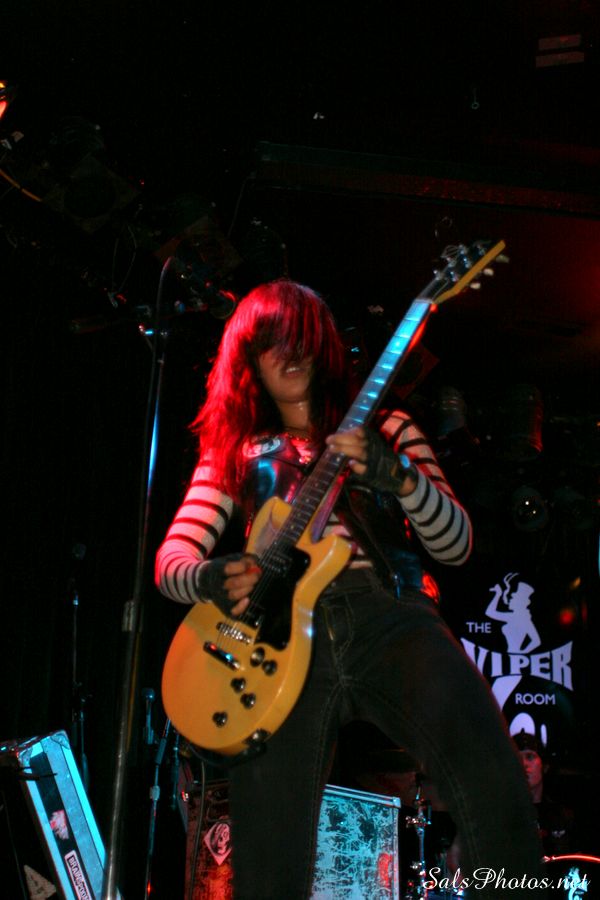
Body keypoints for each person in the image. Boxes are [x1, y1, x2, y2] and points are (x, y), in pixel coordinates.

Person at [155, 279, 545, 899]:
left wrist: (399, 477)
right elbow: (172, 559)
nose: (289, 352)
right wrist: (207, 577)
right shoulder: (236, 449)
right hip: (276, 639)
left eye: (301, 337)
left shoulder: (388, 426)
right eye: (270, 341)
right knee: (266, 855)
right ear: (248, 360)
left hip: (388, 613)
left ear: (323, 346)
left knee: (491, 771)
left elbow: (458, 544)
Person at [513, 731, 576, 857]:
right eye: (517, 759)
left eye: (530, 757)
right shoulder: (503, 815)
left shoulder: (562, 815)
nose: (523, 764)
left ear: (544, 766)